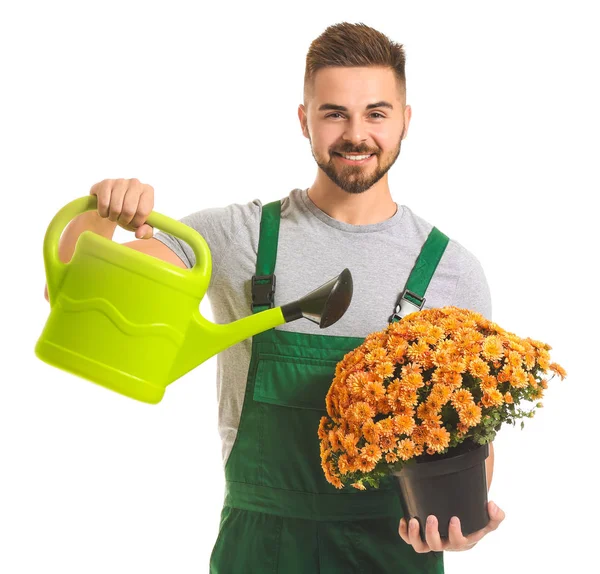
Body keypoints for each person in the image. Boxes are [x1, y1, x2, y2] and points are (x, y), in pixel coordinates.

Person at [45, 21, 505, 573]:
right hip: (259, 550)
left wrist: (457, 527)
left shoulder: (452, 273)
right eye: (334, 112)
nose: (356, 134)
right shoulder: (233, 239)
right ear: (303, 120)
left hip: (392, 554)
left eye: (376, 113)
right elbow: (73, 301)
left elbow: (474, 445)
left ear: (406, 120)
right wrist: (101, 213)